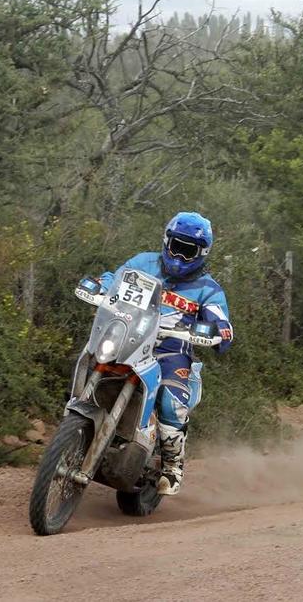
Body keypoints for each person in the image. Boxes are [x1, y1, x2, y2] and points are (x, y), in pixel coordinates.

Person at [99, 212, 233, 495]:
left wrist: (219, 329)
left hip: (172, 350)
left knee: (171, 401)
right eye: (176, 246)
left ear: (201, 253)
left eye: (188, 251)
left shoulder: (209, 289)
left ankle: (172, 466)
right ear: (166, 241)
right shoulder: (142, 263)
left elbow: (220, 320)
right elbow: (115, 278)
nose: (180, 256)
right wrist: (102, 283)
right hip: (130, 336)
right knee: (94, 359)